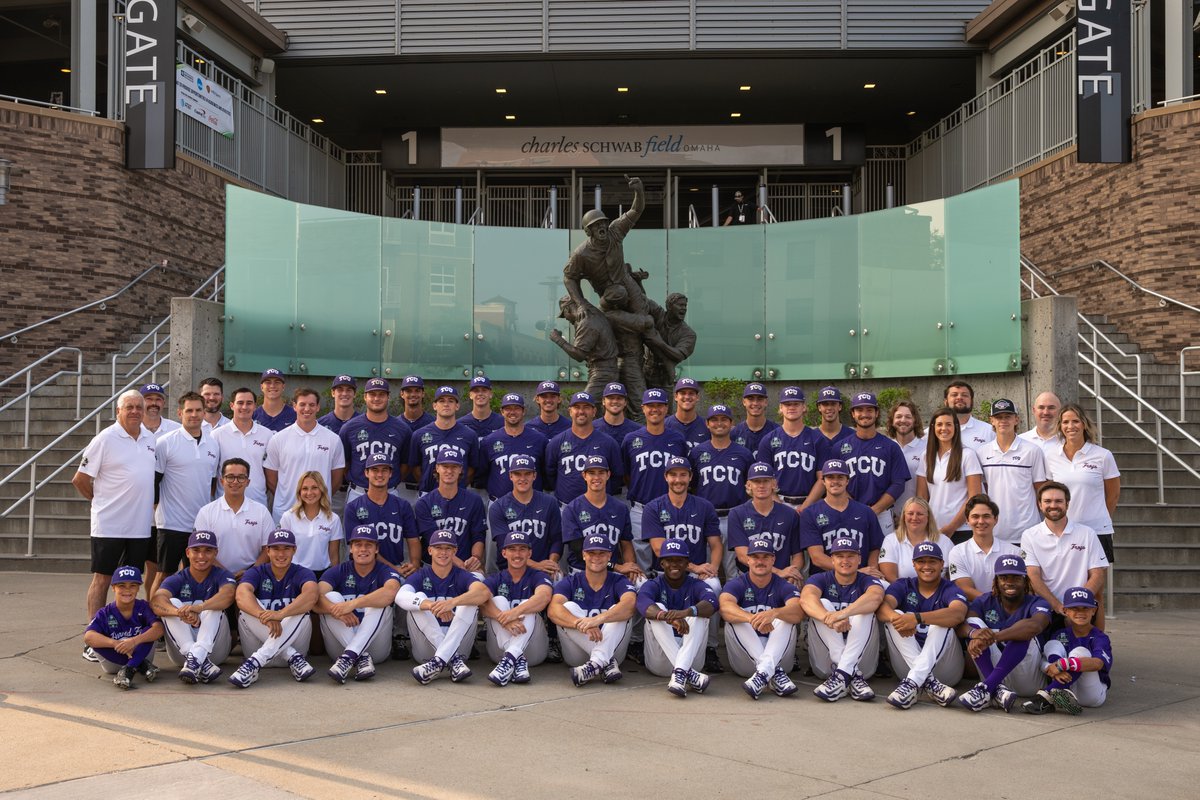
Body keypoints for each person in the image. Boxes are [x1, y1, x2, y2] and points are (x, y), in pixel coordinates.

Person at [73, 389, 156, 661]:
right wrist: (99, 503)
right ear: (118, 411)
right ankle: (91, 639)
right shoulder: (105, 439)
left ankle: (128, 633)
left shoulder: (149, 439)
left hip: (139, 527)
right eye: (129, 407)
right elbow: (80, 479)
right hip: (109, 526)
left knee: (132, 582)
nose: (134, 411)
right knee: (103, 579)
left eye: (138, 407)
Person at [642, 455, 724, 673]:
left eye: (683, 474)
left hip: (694, 576)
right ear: (666, 477)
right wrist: (696, 567)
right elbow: (659, 549)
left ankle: (710, 647)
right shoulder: (653, 507)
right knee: (644, 593)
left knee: (714, 587)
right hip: (664, 573)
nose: (678, 479)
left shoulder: (704, 506)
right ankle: (643, 643)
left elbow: (716, 544)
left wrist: (713, 567)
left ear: (690, 477)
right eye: (673, 474)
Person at [956, 555, 1051, 712]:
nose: (1009, 582)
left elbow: (1035, 626)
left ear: (1026, 580)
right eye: (1004, 577)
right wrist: (974, 633)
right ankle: (996, 689)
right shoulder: (985, 600)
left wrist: (994, 637)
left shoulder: (1038, 602)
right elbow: (961, 627)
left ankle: (987, 688)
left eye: (1016, 577)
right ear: (996, 581)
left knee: (1023, 630)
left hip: (1027, 679)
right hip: (994, 670)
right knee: (976, 627)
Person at [880, 542, 968, 709]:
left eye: (932, 561)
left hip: (947, 670)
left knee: (941, 622)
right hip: (907, 667)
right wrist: (897, 618)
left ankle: (915, 682)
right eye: (921, 561)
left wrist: (917, 618)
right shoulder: (904, 584)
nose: (926, 566)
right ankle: (926, 683)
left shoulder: (950, 588)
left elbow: (958, 613)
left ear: (942, 564)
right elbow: (882, 608)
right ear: (914, 564)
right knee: (895, 617)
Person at [398, 530, 492, 684]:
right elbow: (400, 596)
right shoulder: (421, 574)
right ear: (429, 550)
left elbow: (483, 593)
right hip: (426, 649)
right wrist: (431, 606)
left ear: (454, 551)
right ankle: (451, 659)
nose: (443, 552)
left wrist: (451, 603)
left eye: (448, 548)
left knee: (469, 601)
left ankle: (438, 662)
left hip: (460, 646)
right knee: (418, 601)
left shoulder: (462, 575)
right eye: (438, 548)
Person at [228, 529, 319, 687]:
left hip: (288, 650)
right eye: (276, 548)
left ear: (294, 550)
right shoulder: (257, 571)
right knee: (247, 608)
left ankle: (255, 663)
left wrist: (281, 614)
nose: (281, 554)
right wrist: (266, 617)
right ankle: (287, 654)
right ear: (268, 551)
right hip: (282, 653)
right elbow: (241, 595)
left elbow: (311, 595)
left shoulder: (303, 572)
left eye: (286, 548)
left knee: (302, 608)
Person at [800, 537, 886, 701]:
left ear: (859, 559)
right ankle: (850, 673)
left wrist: (841, 615)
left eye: (850, 556)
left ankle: (842, 673)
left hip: (864, 664)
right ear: (832, 559)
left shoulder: (868, 580)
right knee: (822, 604)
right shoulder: (820, 578)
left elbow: (875, 597)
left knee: (865, 609)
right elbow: (805, 599)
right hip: (825, 664)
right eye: (840, 556)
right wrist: (828, 617)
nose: (845, 560)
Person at [718, 537, 805, 700]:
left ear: (773, 559)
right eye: (756, 557)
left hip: (781, 659)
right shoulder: (737, 583)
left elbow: (798, 611)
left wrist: (775, 613)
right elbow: (724, 607)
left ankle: (763, 673)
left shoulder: (783, 585)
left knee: (785, 617)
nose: (760, 561)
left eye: (765, 557)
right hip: (745, 662)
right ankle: (770, 672)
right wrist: (752, 619)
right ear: (748, 560)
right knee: (735, 617)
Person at [151, 391, 219, 595]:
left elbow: (212, 483)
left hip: (199, 525)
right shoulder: (165, 442)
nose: (194, 414)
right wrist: (159, 510)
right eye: (189, 410)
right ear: (180, 413)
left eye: (199, 410)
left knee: (195, 574)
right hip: (172, 524)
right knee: (164, 575)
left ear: (204, 413)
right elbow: (154, 481)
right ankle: (153, 620)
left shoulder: (213, 444)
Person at [547, 534, 639, 686]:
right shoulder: (571, 581)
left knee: (619, 610)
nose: (596, 557)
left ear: (609, 556)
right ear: (584, 555)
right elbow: (553, 610)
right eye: (591, 553)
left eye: (601, 553)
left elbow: (630, 604)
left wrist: (598, 619)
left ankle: (595, 664)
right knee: (568, 607)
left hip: (614, 649)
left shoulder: (619, 580)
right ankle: (604, 662)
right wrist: (580, 624)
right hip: (577, 654)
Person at [317, 525, 402, 684]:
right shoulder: (339, 570)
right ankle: (357, 656)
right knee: (331, 597)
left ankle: (350, 656)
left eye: (368, 545)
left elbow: (391, 591)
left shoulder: (384, 570)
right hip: (340, 644)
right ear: (350, 549)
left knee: (379, 602)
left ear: (376, 549)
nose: (363, 549)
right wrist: (336, 610)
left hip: (376, 648)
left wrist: (353, 604)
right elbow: (315, 598)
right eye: (358, 544)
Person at [150, 530, 235, 684]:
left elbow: (228, 595)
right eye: (196, 550)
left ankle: (196, 659)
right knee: (173, 603)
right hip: (181, 654)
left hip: (216, 651)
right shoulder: (178, 577)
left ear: (216, 552)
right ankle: (198, 660)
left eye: (208, 550)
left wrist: (200, 607)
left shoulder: (222, 575)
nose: (201, 556)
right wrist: (178, 612)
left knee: (212, 605)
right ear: (188, 553)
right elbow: (156, 601)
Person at [637, 539, 718, 696]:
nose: (674, 564)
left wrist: (686, 613)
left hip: (692, 657)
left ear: (687, 564)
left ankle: (681, 672)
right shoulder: (653, 584)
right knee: (658, 609)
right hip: (660, 662)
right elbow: (642, 603)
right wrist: (666, 617)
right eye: (669, 560)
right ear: (662, 564)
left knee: (698, 614)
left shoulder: (696, 584)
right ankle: (686, 672)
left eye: (679, 560)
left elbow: (712, 603)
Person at [1020, 482, 1109, 623]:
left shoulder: (1087, 533)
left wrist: (1078, 603)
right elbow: (1032, 576)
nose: (1053, 505)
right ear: (1040, 504)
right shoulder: (1029, 535)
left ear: (1067, 504)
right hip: (1046, 606)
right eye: (1047, 501)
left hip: (1080, 608)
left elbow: (1097, 574)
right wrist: (1056, 605)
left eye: (1059, 501)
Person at [1043, 403, 1121, 563]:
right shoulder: (1050, 456)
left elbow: (1113, 495)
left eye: (1075, 421)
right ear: (1060, 426)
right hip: (1063, 530)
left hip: (1096, 530)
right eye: (1065, 422)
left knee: (1096, 582)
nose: (1070, 426)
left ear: (1084, 424)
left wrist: (1098, 517)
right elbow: (1049, 494)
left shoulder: (1103, 456)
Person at [621, 387, 688, 574]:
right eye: (650, 406)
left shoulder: (677, 439)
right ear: (643, 408)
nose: (655, 410)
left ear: (667, 409)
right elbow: (628, 473)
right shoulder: (631, 439)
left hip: (670, 508)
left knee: (668, 558)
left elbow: (683, 472)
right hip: (640, 507)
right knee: (641, 563)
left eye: (659, 406)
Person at [830, 391, 910, 538]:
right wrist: (854, 507)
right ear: (853, 414)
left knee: (883, 557)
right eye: (859, 410)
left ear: (877, 413)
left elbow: (898, 484)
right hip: (847, 511)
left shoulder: (891, 446)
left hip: (882, 513)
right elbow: (832, 481)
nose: (864, 414)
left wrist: (875, 509)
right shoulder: (839, 447)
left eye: (869, 410)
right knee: (850, 556)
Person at [689, 403, 753, 582]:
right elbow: (692, 485)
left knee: (734, 572)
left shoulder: (744, 454)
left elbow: (751, 487)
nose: (719, 423)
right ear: (707, 424)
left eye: (724, 419)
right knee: (707, 572)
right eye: (714, 420)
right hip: (706, 518)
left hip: (734, 516)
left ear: (731, 424)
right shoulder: (697, 452)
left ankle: (734, 607)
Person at [263, 388, 346, 523]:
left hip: (320, 513)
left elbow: (336, 479)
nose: (307, 409)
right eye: (302, 404)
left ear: (318, 407)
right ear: (294, 406)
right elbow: (271, 479)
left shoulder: (333, 439)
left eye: (312, 405)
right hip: (285, 511)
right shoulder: (278, 439)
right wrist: (287, 495)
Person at [1025, 586, 1112, 715]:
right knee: (1053, 644)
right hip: (1068, 685)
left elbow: (1098, 663)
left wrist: (1062, 665)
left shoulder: (1099, 637)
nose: (1080, 612)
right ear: (1065, 611)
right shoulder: (1061, 633)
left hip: (1092, 695)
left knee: (1080, 652)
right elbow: (1045, 659)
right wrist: (1052, 669)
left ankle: (1047, 695)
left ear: (1093, 611)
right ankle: (1059, 695)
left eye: (1085, 608)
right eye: (1074, 608)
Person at [482, 531, 554, 685]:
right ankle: (515, 658)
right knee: (498, 601)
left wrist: (513, 613)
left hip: (534, 650)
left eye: (522, 549)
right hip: (498, 652)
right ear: (504, 553)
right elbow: (482, 605)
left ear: (530, 553)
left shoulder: (538, 576)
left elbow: (544, 597)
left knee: (527, 606)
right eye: (512, 549)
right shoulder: (495, 578)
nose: (517, 554)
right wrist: (505, 620)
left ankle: (510, 659)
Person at [977, 398, 1047, 545]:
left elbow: (1040, 489)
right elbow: (985, 489)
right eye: (998, 417)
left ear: (1016, 420)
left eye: (1008, 417)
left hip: (1027, 530)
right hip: (995, 531)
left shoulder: (1032, 451)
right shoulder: (982, 453)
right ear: (992, 421)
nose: (1003, 421)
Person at [800, 458, 884, 577]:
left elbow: (874, 548)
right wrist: (855, 572)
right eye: (830, 477)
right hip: (825, 578)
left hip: (861, 578)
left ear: (847, 481)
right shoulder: (810, 513)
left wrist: (870, 571)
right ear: (823, 481)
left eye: (840, 477)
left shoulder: (865, 512)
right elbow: (817, 557)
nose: (835, 481)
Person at [83, 565, 163, 689]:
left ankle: (129, 669)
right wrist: (115, 643)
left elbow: (159, 629)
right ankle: (141, 665)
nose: (127, 590)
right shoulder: (105, 612)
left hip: (141, 652)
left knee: (149, 630)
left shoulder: (143, 606)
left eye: (132, 585)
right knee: (97, 639)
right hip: (114, 662)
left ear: (138, 588)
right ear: (113, 588)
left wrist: (134, 641)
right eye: (122, 586)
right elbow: (88, 637)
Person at [561, 455, 641, 579]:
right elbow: (579, 551)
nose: (596, 477)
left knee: (640, 582)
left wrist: (630, 567)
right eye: (592, 473)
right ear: (584, 476)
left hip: (611, 574)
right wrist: (616, 566)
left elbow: (626, 544)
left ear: (608, 475)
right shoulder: (572, 509)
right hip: (581, 572)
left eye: (601, 473)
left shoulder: (620, 508)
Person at [193, 458, 274, 580]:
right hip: (214, 576)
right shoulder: (206, 512)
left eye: (241, 477)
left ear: (248, 482)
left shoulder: (261, 511)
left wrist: (250, 573)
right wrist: (226, 575)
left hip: (253, 577)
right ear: (222, 481)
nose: (235, 481)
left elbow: (268, 549)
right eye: (230, 477)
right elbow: (200, 551)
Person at [727, 462, 805, 584]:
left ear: (774, 484)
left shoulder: (790, 514)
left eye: (766, 481)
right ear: (749, 485)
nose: (761, 485)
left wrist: (791, 574)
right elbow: (743, 556)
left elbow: (798, 556)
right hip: (748, 578)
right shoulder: (737, 514)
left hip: (782, 579)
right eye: (757, 481)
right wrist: (778, 572)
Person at [343, 453, 420, 576]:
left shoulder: (403, 505)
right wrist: (394, 569)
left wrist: (414, 565)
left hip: (397, 567)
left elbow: (413, 540)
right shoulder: (353, 507)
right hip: (364, 570)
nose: (380, 474)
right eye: (375, 470)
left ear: (390, 474)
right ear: (366, 473)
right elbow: (363, 549)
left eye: (384, 470)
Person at [414, 447, 487, 573]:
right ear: (437, 468)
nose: (449, 471)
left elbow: (478, 536)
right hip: (432, 567)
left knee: (480, 582)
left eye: (454, 467)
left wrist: (475, 558)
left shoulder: (474, 500)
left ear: (460, 469)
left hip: (465, 565)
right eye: (445, 466)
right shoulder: (424, 503)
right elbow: (432, 540)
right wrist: (459, 564)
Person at [487, 453, 562, 575]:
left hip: (543, 570)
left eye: (527, 473)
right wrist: (536, 566)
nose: (523, 478)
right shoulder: (498, 506)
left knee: (557, 580)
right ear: (511, 476)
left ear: (534, 475)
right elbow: (503, 546)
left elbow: (557, 539)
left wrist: (551, 564)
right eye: (517, 474)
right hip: (510, 571)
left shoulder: (549, 502)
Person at [339, 377, 411, 504]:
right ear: (365, 397)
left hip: (390, 492)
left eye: (381, 394)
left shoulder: (402, 429)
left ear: (388, 397)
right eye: (372, 394)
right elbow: (344, 464)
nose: (376, 398)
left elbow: (405, 465)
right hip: (358, 492)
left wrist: (392, 480)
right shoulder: (349, 428)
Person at [917, 406, 983, 543]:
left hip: (962, 529)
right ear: (933, 428)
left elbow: (974, 497)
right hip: (933, 529)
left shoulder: (968, 455)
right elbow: (922, 497)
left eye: (948, 424)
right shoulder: (926, 457)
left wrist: (952, 527)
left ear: (956, 427)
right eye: (939, 424)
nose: (944, 428)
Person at [546, 391, 623, 505]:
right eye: (577, 407)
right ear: (570, 411)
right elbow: (550, 475)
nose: (581, 411)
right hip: (565, 506)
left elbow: (617, 477)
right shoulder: (556, 442)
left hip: (600, 507)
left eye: (586, 407)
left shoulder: (608, 443)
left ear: (594, 411)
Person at [755, 385, 824, 510]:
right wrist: (781, 507)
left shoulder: (818, 438)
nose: (791, 407)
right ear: (781, 408)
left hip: (810, 503)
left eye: (796, 404)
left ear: (804, 407)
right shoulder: (768, 440)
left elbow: (822, 479)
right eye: (787, 404)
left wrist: (805, 506)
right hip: (777, 502)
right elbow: (763, 479)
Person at [949, 494, 1022, 601]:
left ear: (995, 519)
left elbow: (1022, 587)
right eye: (975, 516)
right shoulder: (957, 552)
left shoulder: (1014, 552)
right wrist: (994, 603)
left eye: (986, 516)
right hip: (974, 611)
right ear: (967, 520)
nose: (981, 521)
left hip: (1010, 610)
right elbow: (964, 588)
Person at [407, 385, 479, 495]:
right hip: (428, 493)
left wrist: (460, 483)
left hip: (459, 494)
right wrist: (425, 483)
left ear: (457, 406)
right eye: (441, 401)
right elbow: (414, 467)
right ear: (435, 405)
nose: (446, 404)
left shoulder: (470, 435)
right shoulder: (419, 434)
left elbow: (472, 468)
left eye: (451, 401)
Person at [478, 393, 549, 501]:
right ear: (502, 412)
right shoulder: (489, 441)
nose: (512, 412)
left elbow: (546, 474)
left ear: (523, 411)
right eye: (508, 408)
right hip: (498, 503)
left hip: (533, 504)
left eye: (517, 408)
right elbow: (482, 475)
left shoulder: (539, 440)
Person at [211, 387, 274, 507]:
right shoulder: (217, 435)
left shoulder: (267, 434)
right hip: (224, 505)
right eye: (240, 403)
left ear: (255, 406)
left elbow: (270, 471)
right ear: (231, 405)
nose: (244, 407)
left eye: (249, 403)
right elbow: (212, 474)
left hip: (258, 503)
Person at [549, 298, 620, 401]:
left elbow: (579, 355)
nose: (566, 319)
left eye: (564, 315)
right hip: (603, 370)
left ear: (567, 309)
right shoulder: (592, 316)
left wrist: (558, 339)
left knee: (584, 403)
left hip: (603, 373)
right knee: (597, 408)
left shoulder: (587, 322)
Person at [279, 471, 343, 574]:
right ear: (299, 492)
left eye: (314, 488)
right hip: (295, 573)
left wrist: (334, 579)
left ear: (321, 490)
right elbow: (283, 552)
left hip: (323, 574)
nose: (309, 493)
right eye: (305, 488)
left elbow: (334, 556)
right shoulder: (288, 517)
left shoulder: (333, 519)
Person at [879, 497, 953, 583]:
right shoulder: (891, 540)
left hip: (939, 593)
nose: (914, 518)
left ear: (928, 517)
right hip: (902, 593)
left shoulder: (945, 542)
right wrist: (912, 594)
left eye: (920, 514)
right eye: (910, 513)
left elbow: (954, 577)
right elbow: (889, 576)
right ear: (903, 516)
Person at [643, 294, 697, 397]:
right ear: (669, 306)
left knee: (665, 410)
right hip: (644, 372)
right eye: (680, 305)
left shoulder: (688, 334)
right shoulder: (658, 314)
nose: (684, 308)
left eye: (685, 306)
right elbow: (641, 298)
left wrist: (659, 343)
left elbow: (678, 354)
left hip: (665, 377)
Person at [886, 400, 925, 519]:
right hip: (888, 516)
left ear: (915, 420)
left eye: (908, 417)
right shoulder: (885, 447)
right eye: (898, 416)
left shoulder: (927, 448)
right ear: (892, 421)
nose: (903, 420)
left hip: (917, 516)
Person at [731, 381, 779, 455]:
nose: (755, 403)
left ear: (766, 402)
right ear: (744, 402)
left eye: (759, 399)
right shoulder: (734, 434)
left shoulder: (777, 432)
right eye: (751, 399)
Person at [944, 381, 994, 450]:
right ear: (946, 402)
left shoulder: (989, 431)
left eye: (964, 395)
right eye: (954, 395)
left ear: (972, 401)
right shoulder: (931, 433)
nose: (959, 398)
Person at [666, 377, 709, 451]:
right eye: (683, 393)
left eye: (691, 393)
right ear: (676, 396)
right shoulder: (665, 425)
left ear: (697, 397)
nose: (687, 397)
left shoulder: (707, 427)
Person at [458, 375, 505, 439]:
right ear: (470, 395)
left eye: (484, 390)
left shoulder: (503, 423)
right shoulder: (460, 424)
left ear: (491, 394)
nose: (480, 394)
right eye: (476, 391)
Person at [252, 368, 296, 432]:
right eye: (268, 382)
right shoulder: (253, 416)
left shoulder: (295, 415)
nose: (272, 386)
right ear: (261, 387)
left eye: (277, 382)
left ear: (283, 387)